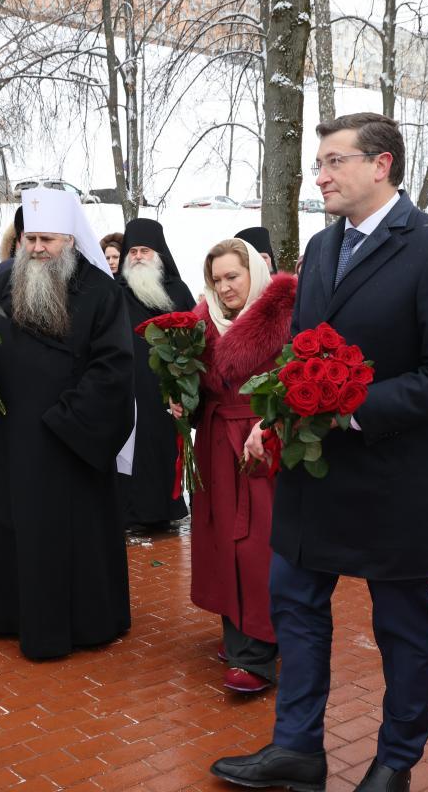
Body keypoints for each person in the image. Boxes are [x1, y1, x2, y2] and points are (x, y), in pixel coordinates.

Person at [213, 113, 428, 792]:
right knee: (296, 609)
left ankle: (395, 762)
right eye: (320, 163)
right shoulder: (321, 244)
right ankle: (297, 749)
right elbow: (299, 350)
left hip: (394, 480)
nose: (322, 176)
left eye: (335, 162)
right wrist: (274, 418)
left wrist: (351, 409)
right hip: (314, 480)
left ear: (382, 164)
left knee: (401, 624)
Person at [0, 187, 134, 660]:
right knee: (11, 526)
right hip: (10, 438)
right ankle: (8, 615)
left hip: (67, 440)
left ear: (71, 241)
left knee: (66, 534)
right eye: (30, 238)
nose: (37, 248)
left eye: (48, 239)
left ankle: (80, 623)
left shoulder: (100, 292)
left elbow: (114, 368)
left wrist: (67, 421)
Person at [185, 237, 295, 694]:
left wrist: (271, 424)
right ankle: (237, 634)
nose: (226, 287)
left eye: (233, 276)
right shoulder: (199, 322)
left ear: (254, 271)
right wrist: (181, 399)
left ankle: (259, 650)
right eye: (217, 279)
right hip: (215, 439)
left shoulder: (285, 315)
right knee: (220, 539)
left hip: (260, 442)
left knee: (257, 543)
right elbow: (197, 386)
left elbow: (296, 379)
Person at [117, 218, 193, 531]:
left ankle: (165, 509)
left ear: (158, 254)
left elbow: (194, 335)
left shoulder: (178, 291)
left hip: (166, 390)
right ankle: (129, 513)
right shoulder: (115, 291)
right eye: (132, 251)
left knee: (161, 450)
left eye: (144, 250)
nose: (137, 256)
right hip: (127, 389)